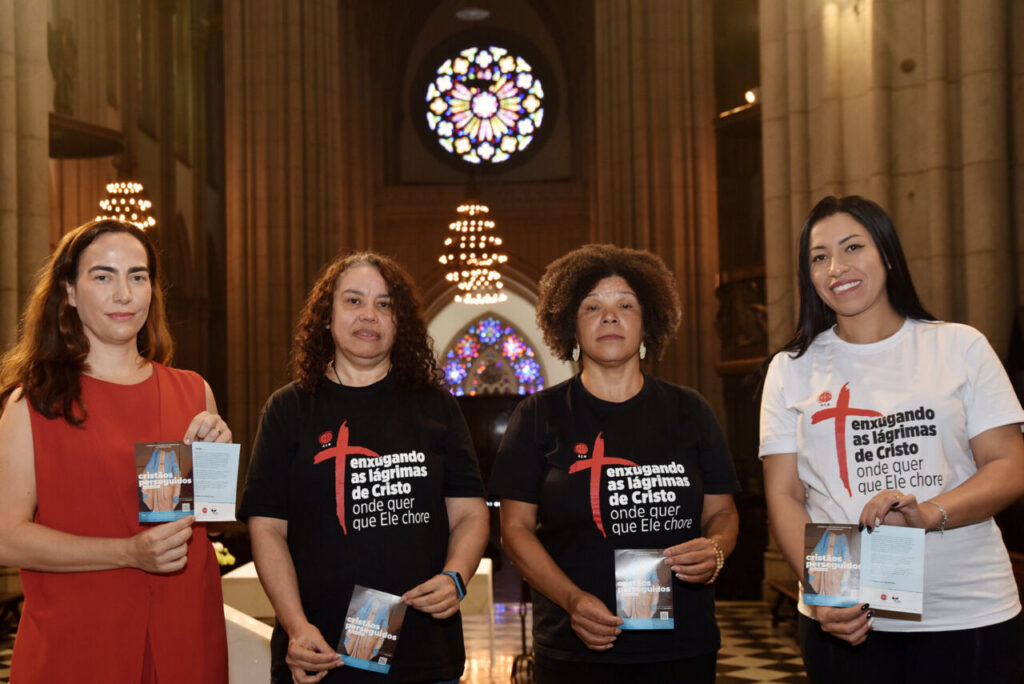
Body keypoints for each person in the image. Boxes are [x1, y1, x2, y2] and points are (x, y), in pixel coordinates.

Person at [759, 195, 1024, 683]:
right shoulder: (790, 369)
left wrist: (927, 514)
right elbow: (784, 492)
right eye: (819, 257)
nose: (836, 267)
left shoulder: (959, 346)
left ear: (886, 253)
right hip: (848, 614)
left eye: (853, 246)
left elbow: (1008, 465)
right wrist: (827, 593)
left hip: (967, 607)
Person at [490, 244, 740, 683]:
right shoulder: (538, 415)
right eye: (593, 307)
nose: (610, 317)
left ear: (647, 325)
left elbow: (722, 512)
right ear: (570, 325)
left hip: (681, 645)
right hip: (576, 644)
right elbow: (514, 529)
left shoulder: (690, 411)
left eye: (626, 305)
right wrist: (572, 601)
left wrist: (716, 549)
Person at [239, 251, 489, 684]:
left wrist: (456, 576)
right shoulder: (288, 409)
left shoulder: (435, 407)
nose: (369, 315)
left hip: (422, 650)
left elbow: (469, 512)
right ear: (327, 316)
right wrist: (297, 628)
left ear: (400, 321)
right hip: (319, 649)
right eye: (353, 301)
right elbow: (268, 528)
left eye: (384, 304)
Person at [0, 219, 231, 683]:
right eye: (103, 276)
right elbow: (6, 537)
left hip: (186, 639)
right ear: (68, 291)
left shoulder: (192, 391)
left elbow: (215, 523)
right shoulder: (35, 404)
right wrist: (127, 552)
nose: (124, 293)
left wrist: (217, 462)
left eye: (138, 276)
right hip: (80, 645)